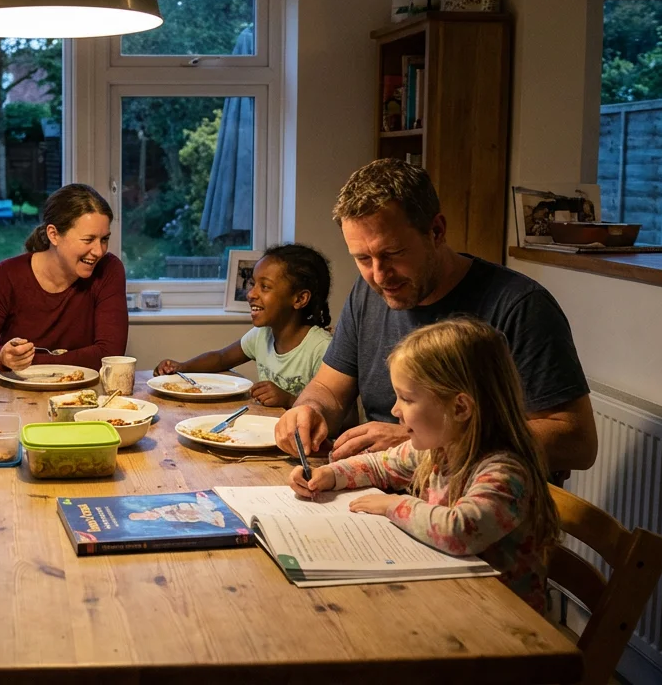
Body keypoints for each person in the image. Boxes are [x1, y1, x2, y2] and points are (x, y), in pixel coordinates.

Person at [274, 159, 598, 475]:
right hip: (378, 495)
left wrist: (424, 440)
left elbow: (577, 441)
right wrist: (309, 410)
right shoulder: (368, 292)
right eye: (362, 258)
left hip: (480, 511)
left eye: (393, 254)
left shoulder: (520, 306)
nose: (379, 274)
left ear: (437, 231)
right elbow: (329, 390)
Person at [288, 318, 561, 613]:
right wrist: (328, 475)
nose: (395, 410)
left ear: (460, 408)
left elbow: (460, 530)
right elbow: (379, 466)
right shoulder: (440, 448)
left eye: (406, 398)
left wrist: (392, 505)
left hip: (506, 622)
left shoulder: (505, 472)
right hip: (456, 597)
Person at [0, 183, 128, 376]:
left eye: (104, 239)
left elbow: (110, 355)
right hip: (16, 398)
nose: (99, 251)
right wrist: (2, 358)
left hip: (82, 398)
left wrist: (27, 363)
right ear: (53, 235)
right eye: (88, 240)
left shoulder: (109, 270)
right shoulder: (6, 276)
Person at [155, 243, 332, 407]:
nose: (250, 294)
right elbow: (221, 358)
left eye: (265, 287)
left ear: (300, 299)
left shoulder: (321, 348)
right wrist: (182, 367)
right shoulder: (261, 335)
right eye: (253, 284)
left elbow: (346, 420)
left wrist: (289, 400)